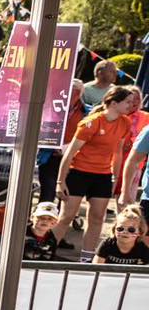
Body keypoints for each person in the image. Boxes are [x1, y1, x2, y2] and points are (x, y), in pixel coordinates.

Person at [53, 85, 137, 262]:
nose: (132, 105)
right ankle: (47, 250)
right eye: (127, 102)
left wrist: (115, 177)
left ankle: (87, 259)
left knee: (98, 217)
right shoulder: (91, 122)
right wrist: (60, 181)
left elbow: (118, 152)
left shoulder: (125, 122)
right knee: (66, 216)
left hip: (102, 175)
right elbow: (69, 153)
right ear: (114, 103)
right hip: (79, 172)